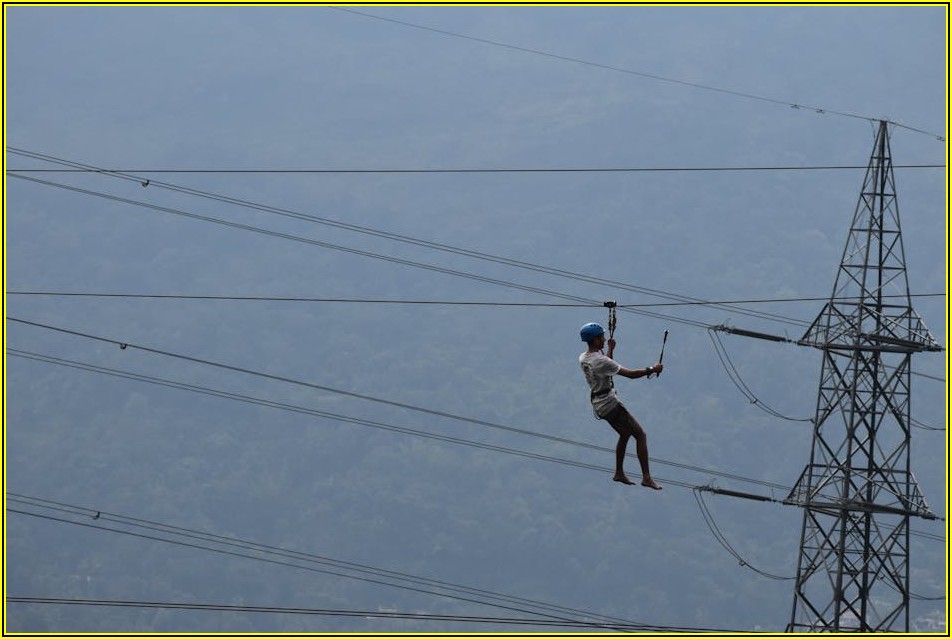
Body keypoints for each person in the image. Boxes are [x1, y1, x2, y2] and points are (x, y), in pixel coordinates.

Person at [578, 322, 663, 489]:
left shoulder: (584, 358)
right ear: (594, 340)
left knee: (625, 434)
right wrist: (653, 369)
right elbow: (631, 374)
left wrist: (610, 350)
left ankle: (619, 473)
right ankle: (646, 477)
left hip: (599, 404)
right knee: (640, 434)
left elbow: (605, 365)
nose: (603, 339)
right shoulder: (600, 361)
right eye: (601, 337)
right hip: (610, 404)